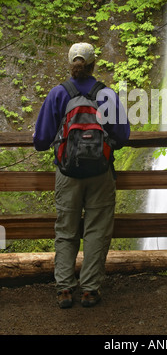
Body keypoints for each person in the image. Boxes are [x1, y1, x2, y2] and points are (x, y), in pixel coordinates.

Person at [33, 42, 130, 309]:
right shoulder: (106, 94)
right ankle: (90, 290)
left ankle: (64, 289)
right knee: (97, 230)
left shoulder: (58, 94)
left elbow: (41, 140)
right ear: (93, 64)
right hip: (100, 173)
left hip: (67, 174)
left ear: (71, 64)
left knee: (66, 231)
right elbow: (122, 136)